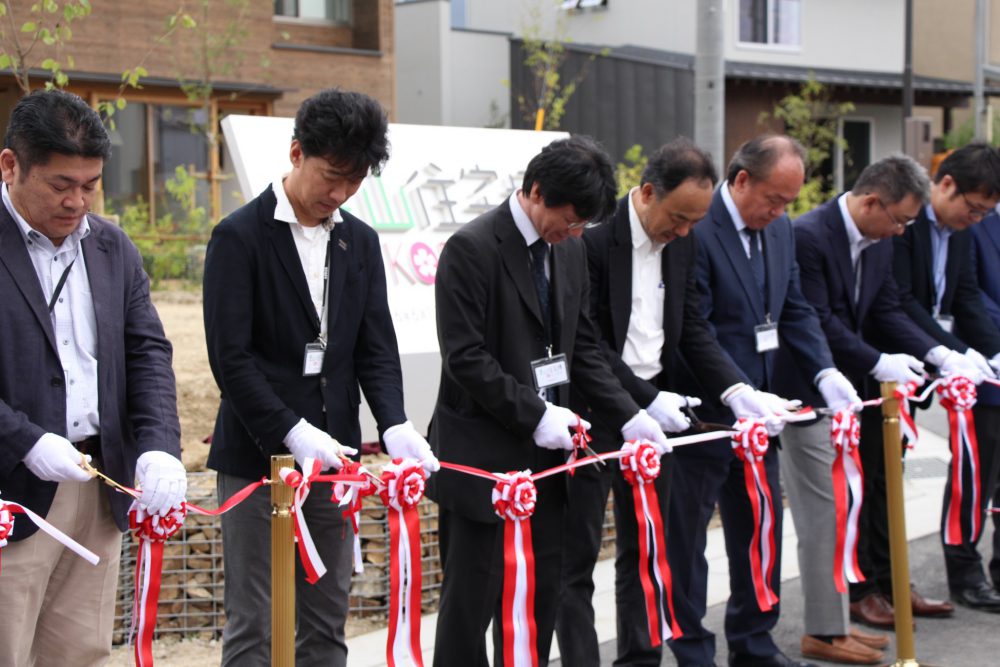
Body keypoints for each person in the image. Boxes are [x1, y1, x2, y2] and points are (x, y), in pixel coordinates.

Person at [203, 88, 438, 666]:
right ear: (296, 152)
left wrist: (395, 422)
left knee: (327, 619)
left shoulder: (358, 239)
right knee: (254, 622)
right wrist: (290, 431)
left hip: (334, 456)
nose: (338, 193)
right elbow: (230, 359)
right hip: (258, 458)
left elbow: (375, 347)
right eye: (330, 176)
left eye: (353, 182)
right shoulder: (239, 237)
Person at [429, 135, 670, 667]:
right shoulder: (472, 248)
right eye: (569, 218)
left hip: (551, 461)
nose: (573, 231)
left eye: (583, 224)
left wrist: (630, 415)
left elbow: (582, 346)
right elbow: (465, 358)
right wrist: (535, 414)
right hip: (482, 459)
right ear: (536, 191)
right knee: (471, 604)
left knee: (537, 602)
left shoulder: (571, 249)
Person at [555, 138, 778, 667]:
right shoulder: (592, 240)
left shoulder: (684, 241)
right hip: (596, 412)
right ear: (648, 192)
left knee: (648, 551)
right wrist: (644, 400)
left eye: (693, 223)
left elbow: (693, 328)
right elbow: (587, 343)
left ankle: (640, 659)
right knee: (578, 559)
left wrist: (736, 389)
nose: (681, 231)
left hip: (659, 414)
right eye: (676, 217)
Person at [0, 89, 186, 665]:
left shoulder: (111, 248)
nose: (76, 201)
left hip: (96, 484)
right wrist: (26, 442)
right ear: (10, 165)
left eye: (90, 185)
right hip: (12, 496)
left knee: (80, 651)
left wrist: (159, 447)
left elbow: (148, 353)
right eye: (60, 185)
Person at [667, 134, 855, 667]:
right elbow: (693, 326)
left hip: (765, 415)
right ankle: (692, 649)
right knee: (689, 543)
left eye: (788, 204)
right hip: (706, 411)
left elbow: (794, 308)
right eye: (773, 199)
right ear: (742, 179)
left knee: (759, 529)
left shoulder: (780, 233)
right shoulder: (697, 228)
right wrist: (736, 392)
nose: (779, 211)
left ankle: (753, 640)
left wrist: (824, 371)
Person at [776, 155, 960, 662]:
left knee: (851, 503)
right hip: (810, 390)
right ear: (872, 200)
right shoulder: (809, 235)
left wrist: (936, 352)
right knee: (827, 509)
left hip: (854, 390)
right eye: (899, 219)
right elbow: (817, 317)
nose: (901, 232)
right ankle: (826, 627)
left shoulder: (878, 245)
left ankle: (836, 622)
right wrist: (877, 359)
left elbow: (885, 309)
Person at [881, 142, 1000, 616]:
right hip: (894, 362)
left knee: (898, 468)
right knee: (885, 475)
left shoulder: (962, 230)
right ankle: (887, 583)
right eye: (972, 209)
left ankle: (892, 581)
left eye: (984, 213)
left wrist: (991, 352)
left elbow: (964, 296)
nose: (975, 219)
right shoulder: (906, 223)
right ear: (945, 184)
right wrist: (954, 353)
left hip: (939, 355)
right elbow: (903, 299)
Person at [970, 210, 1000, 599]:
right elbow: (969, 293)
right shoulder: (975, 226)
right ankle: (966, 570)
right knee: (979, 478)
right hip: (990, 375)